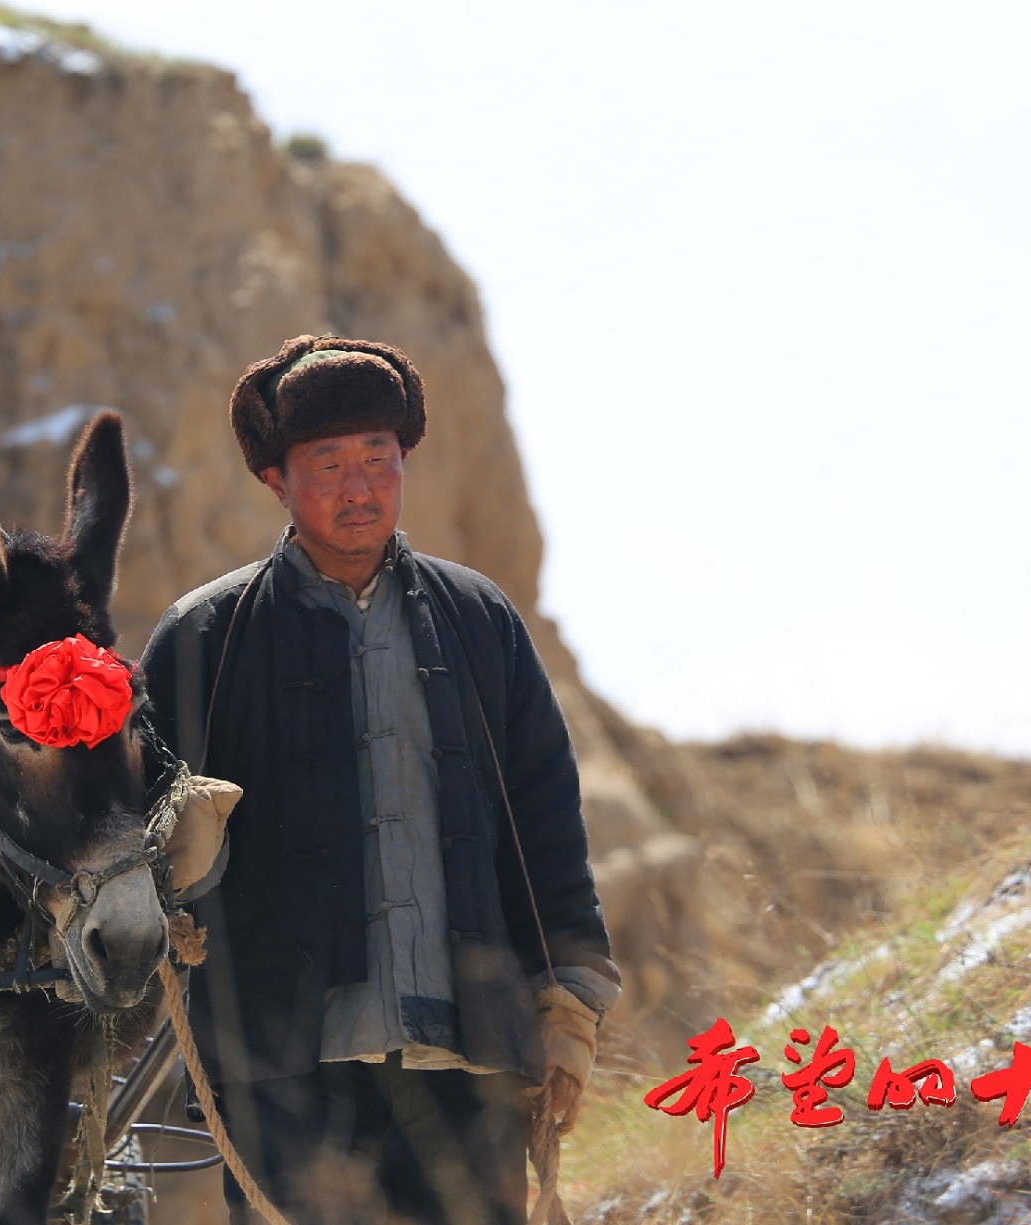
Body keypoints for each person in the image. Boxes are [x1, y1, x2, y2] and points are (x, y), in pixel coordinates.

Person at [142, 336, 621, 1225]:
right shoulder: (205, 637)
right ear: (278, 482)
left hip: (468, 1055)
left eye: (378, 460)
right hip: (286, 1069)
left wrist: (572, 1002)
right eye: (327, 463)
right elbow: (132, 851)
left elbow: (547, 820)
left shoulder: (481, 620)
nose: (358, 486)